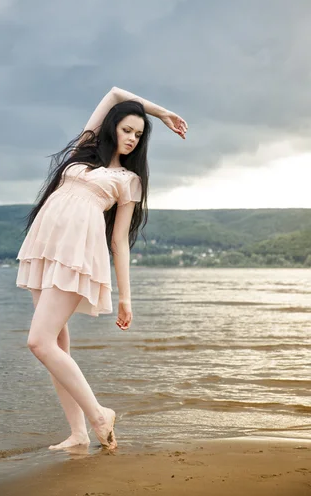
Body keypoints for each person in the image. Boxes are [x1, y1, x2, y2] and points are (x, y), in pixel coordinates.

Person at [15, 86, 188, 451]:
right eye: (127, 130)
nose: (132, 138)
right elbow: (113, 94)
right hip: (45, 247)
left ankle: (98, 414)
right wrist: (161, 112)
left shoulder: (129, 180)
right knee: (57, 343)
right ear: (113, 128)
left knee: (39, 341)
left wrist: (126, 297)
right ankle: (78, 434)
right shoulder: (84, 152)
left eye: (138, 135)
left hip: (78, 254)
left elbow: (118, 241)